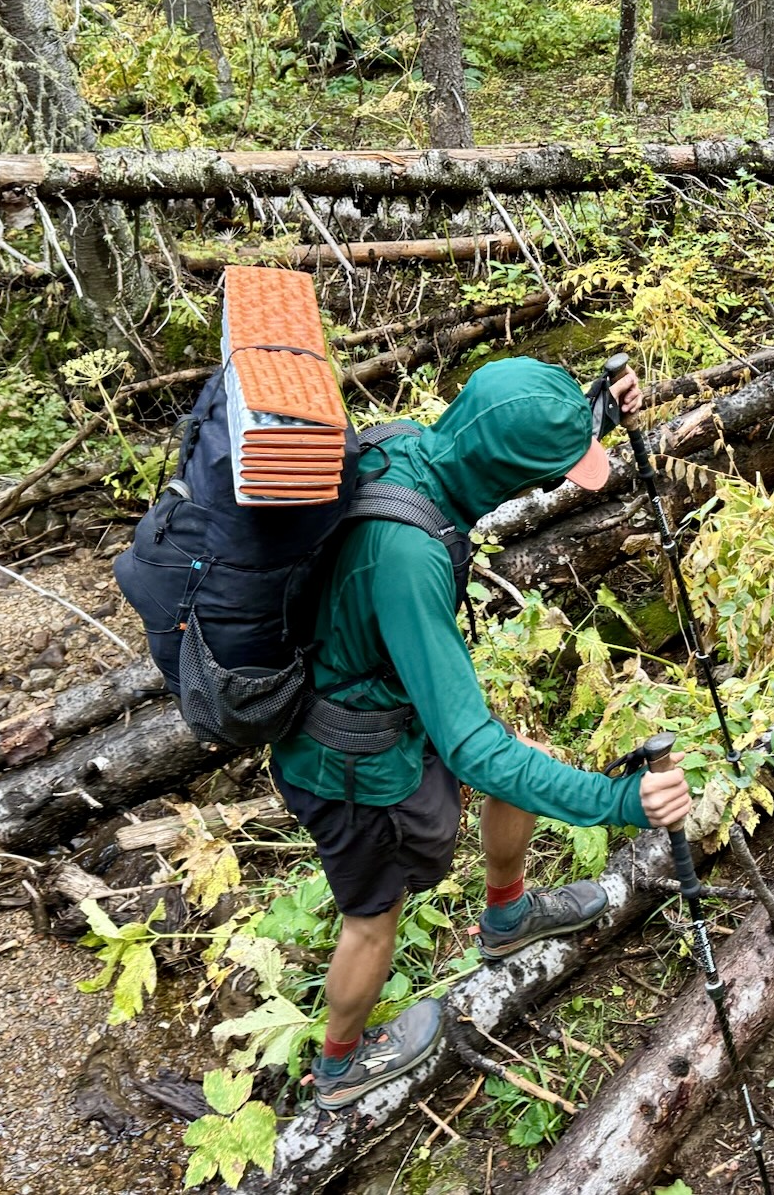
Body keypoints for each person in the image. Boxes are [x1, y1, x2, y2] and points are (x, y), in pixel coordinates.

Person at [269, 357, 694, 1110]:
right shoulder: (405, 557)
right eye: (549, 475)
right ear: (510, 476)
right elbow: (471, 750)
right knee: (373, 920)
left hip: (391, 692)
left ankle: (506, 916)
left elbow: (513, 425)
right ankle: (339, 1068)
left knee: (516, 756)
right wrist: (618, 800)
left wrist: (593, 408)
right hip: (349, 761)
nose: (551, 486)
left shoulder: (412, 446)